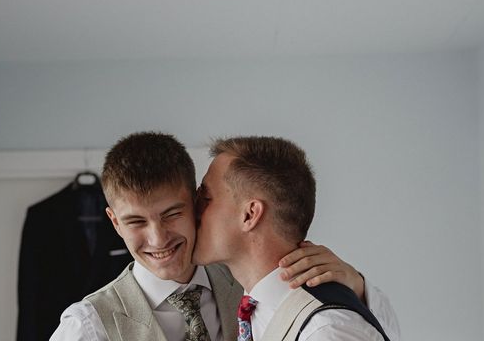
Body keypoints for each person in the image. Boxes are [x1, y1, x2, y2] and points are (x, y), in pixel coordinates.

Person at [51, 132, 399, 341]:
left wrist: (356, 292)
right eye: (136, 221)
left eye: (176, 212)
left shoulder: (260, 293)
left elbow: (342, 327)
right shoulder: (88, 325)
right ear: (114, 222)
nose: (157, 238)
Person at [192, 136, 400, 341]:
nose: (193, 209)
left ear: (250, 214)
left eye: (206, 198)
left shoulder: (326, 331)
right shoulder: (251, 307)